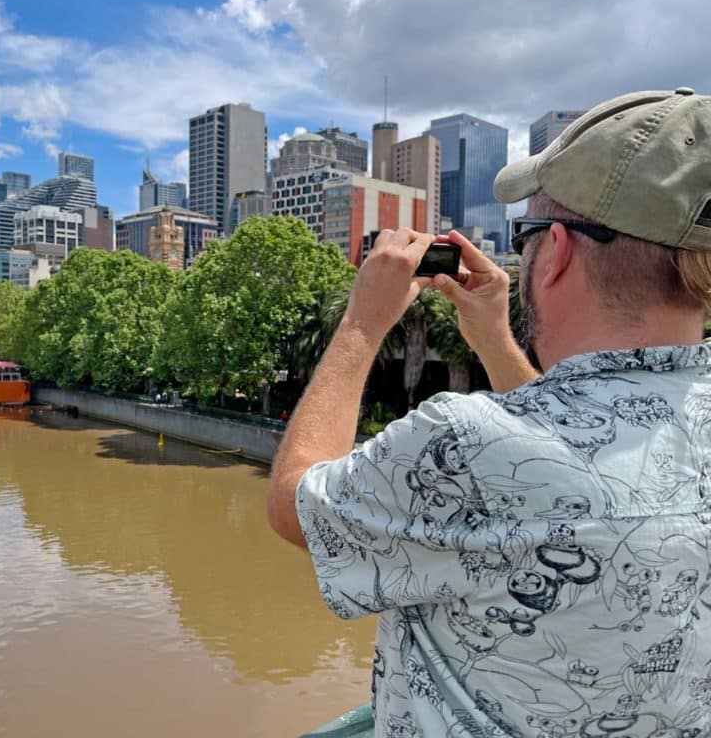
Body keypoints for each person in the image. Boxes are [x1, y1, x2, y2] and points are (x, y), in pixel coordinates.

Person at [268, 88, 711, 736]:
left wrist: (363, 323)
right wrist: (496, 342)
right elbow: (582, 436)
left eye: (523, 234)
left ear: (556, 250)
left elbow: (293, 504)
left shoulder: (465, 446)